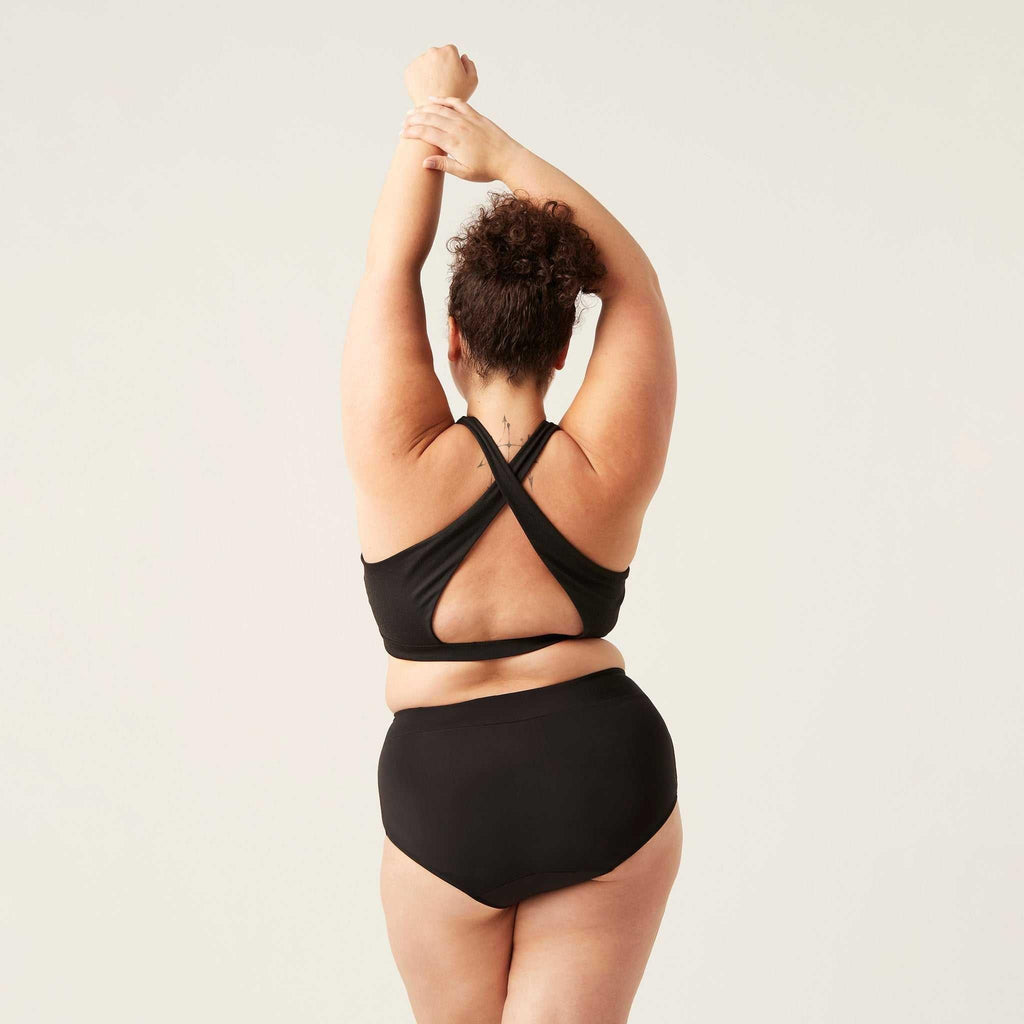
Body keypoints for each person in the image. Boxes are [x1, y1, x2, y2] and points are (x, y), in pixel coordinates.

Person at [341, 44, 681, 1024]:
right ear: (566, 344)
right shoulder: (603, 467)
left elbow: (389, 266)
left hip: (443, 796)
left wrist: (435, 110)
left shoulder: (400, 460)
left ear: (450, 337)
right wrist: (501, 155)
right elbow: (635, 283)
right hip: (603, 776)